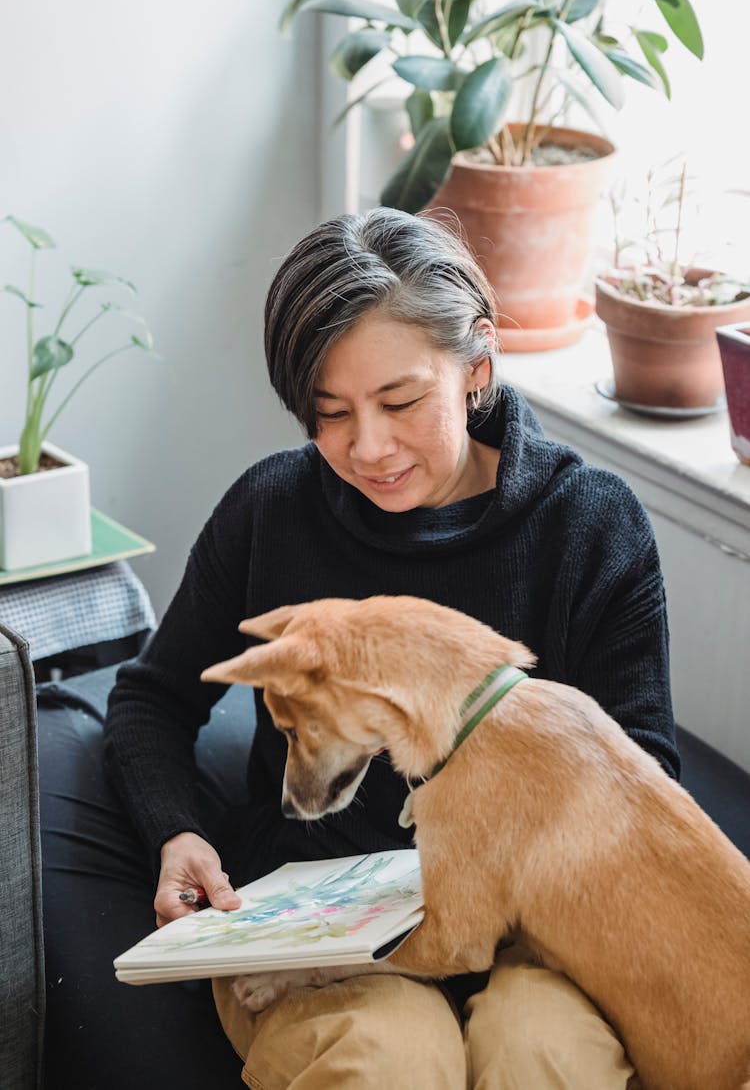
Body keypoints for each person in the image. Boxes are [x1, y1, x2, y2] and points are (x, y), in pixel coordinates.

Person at [42, 207, 678, 1090]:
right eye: (328, 413)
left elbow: (644, 767)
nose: (367, 448)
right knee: (384, 1064)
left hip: (541, 926)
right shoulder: (270, 511)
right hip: (319, 919)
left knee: (547, 1057)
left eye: (401, 400)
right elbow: (151, 698)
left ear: (477, 364)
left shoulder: (590, 526)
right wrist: (177, 829)